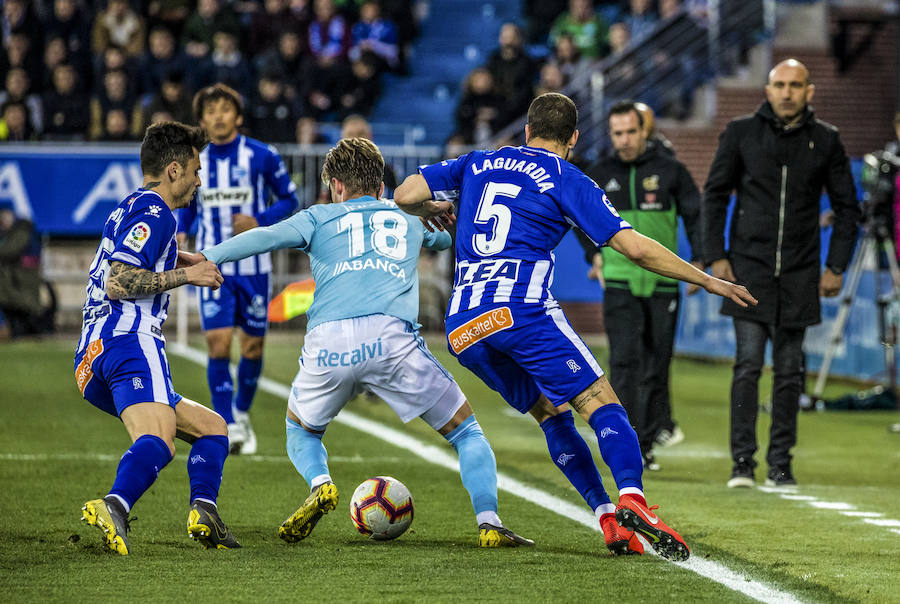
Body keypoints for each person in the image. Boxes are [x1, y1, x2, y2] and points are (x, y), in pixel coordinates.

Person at [394, 92, 757, 560]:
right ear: (573, 139)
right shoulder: (567, 177)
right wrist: (706, 279)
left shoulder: (479, 161)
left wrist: (434, 211)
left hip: (463, 327)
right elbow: (635, 248)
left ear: (526, 131)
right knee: (600, 403)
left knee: (550, 415)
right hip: (520, 311)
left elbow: (404, 194)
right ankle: (634, 500)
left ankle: (607, 516)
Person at [192, 137, 532, 548]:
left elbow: (263, 237)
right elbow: (451, 239)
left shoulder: (318, 217)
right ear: (381, 184)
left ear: (336, 185)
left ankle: (321, 483)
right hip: (392, 341)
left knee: (300, 430)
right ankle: (489, 521)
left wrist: (206, 255)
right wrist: (441, 212)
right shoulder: (408, 217)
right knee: (467, 433)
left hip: (328, 343)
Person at [74, 121, 239, 555]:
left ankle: (204, 510)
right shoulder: (157, 213)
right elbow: (119, 280)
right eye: (195, 171)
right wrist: (188, 274)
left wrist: (178, 255)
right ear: (172, 171)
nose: (198, 180)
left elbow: (126, 258)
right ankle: (115, 505)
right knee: (162, 436)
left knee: (213, 429)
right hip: (128, 339)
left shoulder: (133, 206)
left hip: (96, 353)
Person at [703, 59, 860, 488]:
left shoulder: (827, 140)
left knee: (790, 372)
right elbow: (714, 194)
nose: (787, 92)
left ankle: (780, 464)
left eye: (795, 85)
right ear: (768, 89)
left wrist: (836, 266)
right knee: (748, 366)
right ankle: (742, 464)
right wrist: (715, 255)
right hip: (747, 272)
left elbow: (849, 210)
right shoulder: (740, 133)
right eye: (779, 84)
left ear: (810, 91)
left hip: (801, 274)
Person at [177, 84, 300, 455]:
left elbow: (291, 200)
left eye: (224, 108)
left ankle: (242, 414)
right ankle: (228, 422)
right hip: (210, 262)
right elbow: (189, 202)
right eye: (210, 110)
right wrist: (183, 228)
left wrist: (259, 221)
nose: (217, 115)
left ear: (238, 115)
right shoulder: (195, 159)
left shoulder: (261, 155)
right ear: (201, 120)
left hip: (255, 267)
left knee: (252, 346)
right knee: (217, 344)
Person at [579, 101, 702, 471]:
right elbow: (578, 219)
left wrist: (700, 259)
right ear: (611, 134)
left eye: (631, 131)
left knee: (656, 365)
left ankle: (646, 444)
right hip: (619, 283)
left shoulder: (672, 171)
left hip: (663, 284)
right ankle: (628, 442)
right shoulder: (598, 173)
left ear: (643, 130)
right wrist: (594, 256)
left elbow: (696, 215)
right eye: (618, 133)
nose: (625, 139)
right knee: (624, 363)